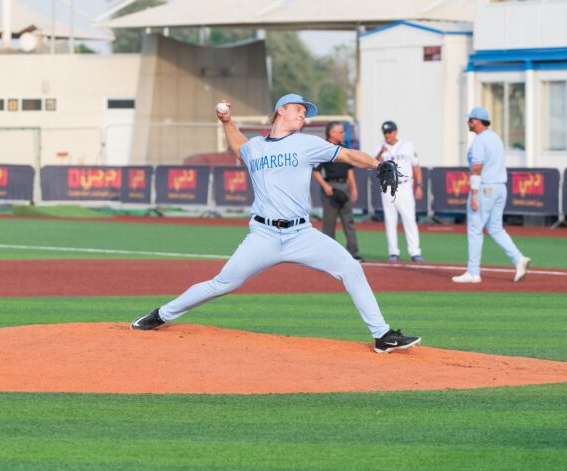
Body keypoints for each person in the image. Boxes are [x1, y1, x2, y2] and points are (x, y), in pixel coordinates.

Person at [131, 93, 420, 354]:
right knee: (222, 283)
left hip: (301, 233)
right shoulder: (255, 147)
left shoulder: (307, 143)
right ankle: (161, 315)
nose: (303, 115)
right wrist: (227, 121)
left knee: (350, 267)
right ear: (281, 110)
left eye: (305, 112)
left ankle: (382, 336)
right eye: (298, 109)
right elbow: (238, 147)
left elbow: (346, 154)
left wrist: (377, 165)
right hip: (264, 234)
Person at [452, 107, 531, 284]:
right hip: (500, 187)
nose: (468, 122)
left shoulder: (480, 141)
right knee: (495, 228)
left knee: (474, 228)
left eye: (471, 120)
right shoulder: (495, 138)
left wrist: (473, 194)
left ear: (479, 121)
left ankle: (473, 272)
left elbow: (477, 168)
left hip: (485, 187)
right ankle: (519, 259)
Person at [372, 121, 424, 263]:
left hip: (405, 186)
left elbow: (416, 166)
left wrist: (419, 185)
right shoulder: (380, 148)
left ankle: (415, 252)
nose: (387, 135)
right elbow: (372, 166)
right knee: (390, 220)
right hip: (387, 187)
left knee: (409, 219)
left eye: (389, 132)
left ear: (395, 132)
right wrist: (380, 153)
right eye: (385, 132)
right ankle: (393, 252)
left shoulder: (407, 145)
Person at [312, 121, 363, 262]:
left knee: (349, 222)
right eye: (340, 132)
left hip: (344, 187)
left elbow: (349, 170)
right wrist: (325, 186)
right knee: (329, 224)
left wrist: (354, 188)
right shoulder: (323, 148)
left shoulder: (344, 149)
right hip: (330, 187)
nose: (343, 134)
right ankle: (328, 254)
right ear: (331, 133)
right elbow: (315, 171)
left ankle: (354, 252)